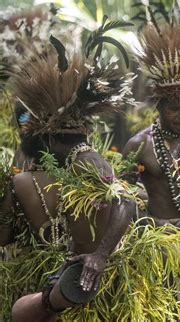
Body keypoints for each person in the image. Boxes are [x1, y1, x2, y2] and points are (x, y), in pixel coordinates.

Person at [0, 22, 137, 321]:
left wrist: (99, 256)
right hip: (66, 287)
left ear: (44, 137)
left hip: (76, 286)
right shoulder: (81, 161)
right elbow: (128, 202)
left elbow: (127, 201)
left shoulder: (77, 160)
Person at [123, 18, 180, 228]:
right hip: (160, 238)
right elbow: (123, 199)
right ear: (159, 107)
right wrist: (152, 223)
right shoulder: (139, 145)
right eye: (174, 108)